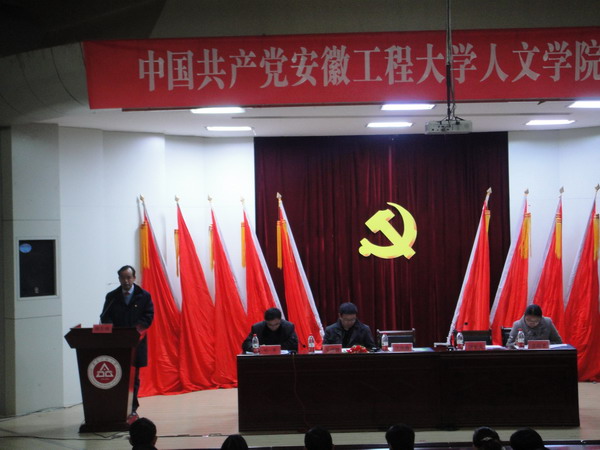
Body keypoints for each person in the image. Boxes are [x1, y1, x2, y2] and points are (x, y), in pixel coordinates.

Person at [100, 265, 154, 416]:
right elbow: (105, 316)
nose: (126, 281)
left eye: (129, 277)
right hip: (117, 344)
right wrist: (113, 330)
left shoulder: (144, 296)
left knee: (133, 377)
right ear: (119, 279)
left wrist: (134, 332)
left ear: (134, 278)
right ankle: (117, 407)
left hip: (136, 343)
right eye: (123, 278)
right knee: (118, 376)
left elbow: (148, 317)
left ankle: (132, 408)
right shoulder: (112, 297)